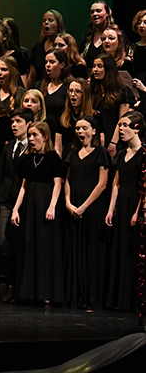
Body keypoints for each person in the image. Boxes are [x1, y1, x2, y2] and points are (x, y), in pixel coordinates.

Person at [10, 121, 65, 305]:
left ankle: (46, 292)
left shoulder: (53, 158)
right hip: (30, 206)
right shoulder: (28, 159)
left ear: (45, 137)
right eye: (30, 135)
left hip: (45, 203)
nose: (31, 139)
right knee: (28, 245)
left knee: (45, 247)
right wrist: (16, 209)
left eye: (35, 135)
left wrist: (52, 206)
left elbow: (58, 183)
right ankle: (28, 292)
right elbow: (24, 187)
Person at [63, 115, 109, 309]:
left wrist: (84, 206)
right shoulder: (72, 153)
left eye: (84, 128)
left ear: (93, 131)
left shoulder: (101, 153)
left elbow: (102, 184)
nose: (80, 132)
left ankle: (92, 297)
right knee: (75, 250)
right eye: (77, 129)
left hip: (93, 207)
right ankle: (75, 295)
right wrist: (68, 202)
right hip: (74, 206)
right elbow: (67, 180)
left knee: (91, 250)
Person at [0, 108, 33, 303]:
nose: (14, 125)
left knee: (19, 243)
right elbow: (3, 175)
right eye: (13, 122)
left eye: (18, 122)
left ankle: (18, 287)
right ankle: (9, 282)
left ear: (29, 124)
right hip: (7, 198)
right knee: (1, 240)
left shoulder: (33, 147)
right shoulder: (9, 147)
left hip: (25, 200)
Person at [104, 112, 144, 311]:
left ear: (136, 128)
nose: (120, 129)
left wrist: (138, 211)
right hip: (122, 203)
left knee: (133, 250)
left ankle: (134, 301)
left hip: (136, 203)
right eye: (119, 125)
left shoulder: (143, 153)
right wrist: (111, 209)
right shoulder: (121, 154)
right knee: (119, 248)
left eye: (125, 125)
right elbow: (116, 183)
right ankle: (119, 300)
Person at [90, 53, 133, 156]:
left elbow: (121, 120)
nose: (95, 70)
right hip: (97, 140)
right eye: (94, 66)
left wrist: (113, 143)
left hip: (115, 140)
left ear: (108, 69)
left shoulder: (122, 91)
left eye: (99, 66)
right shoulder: (93, 91)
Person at [27, 9, 64, 88]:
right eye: (44, 21)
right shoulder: (37, 47)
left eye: (50, 20)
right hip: (40, 88)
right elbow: (32, 76)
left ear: (58, 24)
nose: (46, 23)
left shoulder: (63, 46)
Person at [80, 0, 113, 67]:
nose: (94, 14)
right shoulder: (87, 39)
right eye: (92, 12)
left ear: (107, 13)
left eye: (98, 11)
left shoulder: (116, 36)